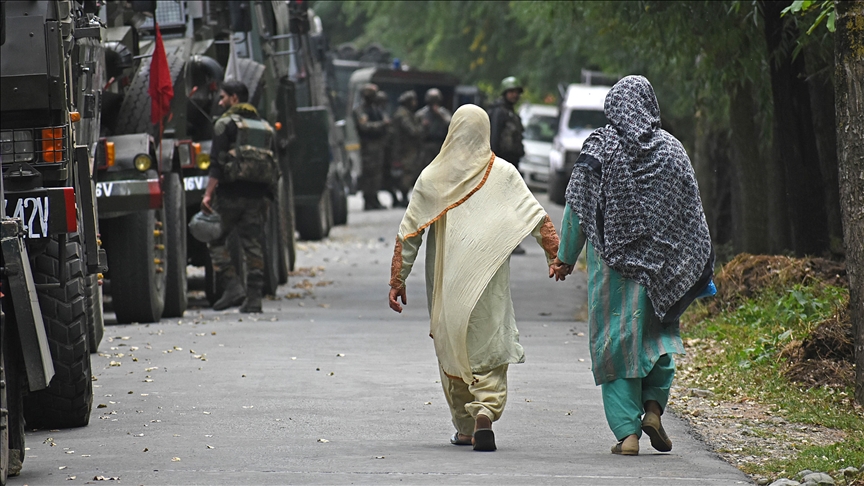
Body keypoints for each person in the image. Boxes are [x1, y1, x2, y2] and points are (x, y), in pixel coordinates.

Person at [551, 76, 713, 456]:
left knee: (617, 345)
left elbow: (578, 207)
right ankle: (653, 409)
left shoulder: (600, 148)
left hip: (614, 270)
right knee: (657, 339)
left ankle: (627, 435)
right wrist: (692, 263)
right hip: (662, 271)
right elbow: (691, 211)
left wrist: (565, 257)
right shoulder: (671, 150)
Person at [388, 105, 560, 452]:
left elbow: (409, 233)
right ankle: (485, 413)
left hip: (447, 283)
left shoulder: (433, 176)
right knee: (489, 342)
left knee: (452, 343)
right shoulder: (503, 173)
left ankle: (465, 429)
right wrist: (556, 256)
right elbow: (538, 217)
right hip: (488, 280)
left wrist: (397, 280)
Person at [201, 79, 279, 313]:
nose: (220, 102)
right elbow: (274, 166)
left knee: (214, 239)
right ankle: (254, 299)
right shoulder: (265, 127)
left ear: (234, 98)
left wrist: (208, 195)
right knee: (253, 246)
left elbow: (216, 163)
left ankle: (232, 285)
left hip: (229, 196)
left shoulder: (224, 124)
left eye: (223, 97)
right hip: (257, 197)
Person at [488, 76, 528, 255]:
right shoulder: (499, 113)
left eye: (516, 92)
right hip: (501, 164)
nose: (514, 95)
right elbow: (494, 139)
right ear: (505, 93)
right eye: (511, 92)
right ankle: (503, 242)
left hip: (511, 164)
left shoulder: (512, 113)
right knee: (504, 204)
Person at [353, 83, 389, 210]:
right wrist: (381, 125)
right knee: (369, 173)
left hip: (378, 144)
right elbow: (364, 127)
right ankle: (368, 199)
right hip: (368, 145)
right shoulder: (360, 110)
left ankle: (374, 198)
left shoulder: (376, 109)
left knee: (377, 174)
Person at [389, 90, 425, 207]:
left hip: (406, 149)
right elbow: (412, 131)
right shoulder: (403, 114)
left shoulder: (406, 113)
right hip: (405, 149)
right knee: (407, 172)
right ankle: (403, 196)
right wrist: (422, 126)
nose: (415, 103)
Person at [414, 88, 451, 172]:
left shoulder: (444, 113)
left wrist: (439, 115)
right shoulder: (421, 114)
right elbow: (414, 130)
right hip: (426, 144)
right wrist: (423, 126)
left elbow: (450, 124)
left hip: (440, 144)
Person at [376, 90, 400, 207]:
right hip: (378, 149)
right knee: (378, 176)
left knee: (388, 175)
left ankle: (394, 197)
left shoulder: (383, 112)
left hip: (387, 149)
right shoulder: (376, 113)